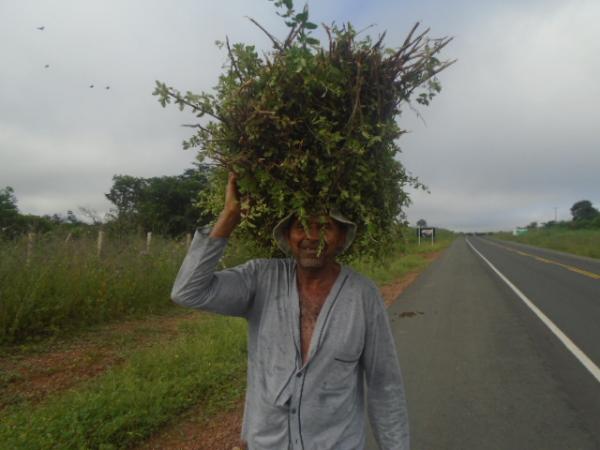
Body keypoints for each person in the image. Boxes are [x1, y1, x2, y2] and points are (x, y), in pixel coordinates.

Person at [171, 173, 409, 450]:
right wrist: (229, 217)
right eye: (300, 226)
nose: (311, 236)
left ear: (342, 238)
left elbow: (385, 385)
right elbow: (187, 292)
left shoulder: (363, 295)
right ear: (287, 235)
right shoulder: (260, 278)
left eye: (325, 227)